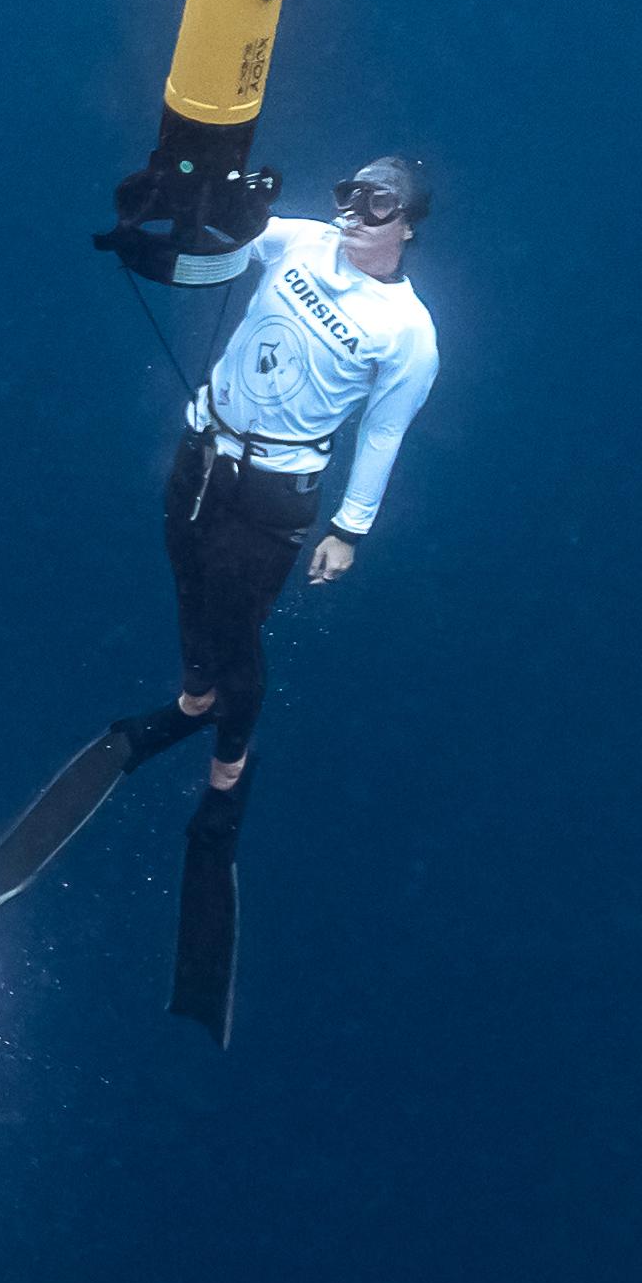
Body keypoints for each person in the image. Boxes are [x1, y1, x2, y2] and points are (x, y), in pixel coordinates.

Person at [133, 152, 441, 801]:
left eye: (379, 204)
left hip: (273, 493)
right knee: (187, 581)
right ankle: (194, 700)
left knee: (235, 629)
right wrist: (180, 212)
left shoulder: (409, 332)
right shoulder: (305, 240)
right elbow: (229, 245)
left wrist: (348, 530)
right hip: (202, 447)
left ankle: (228, 770)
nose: (355, 213)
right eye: (350, 194)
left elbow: (383, 433)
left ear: (408, 224)